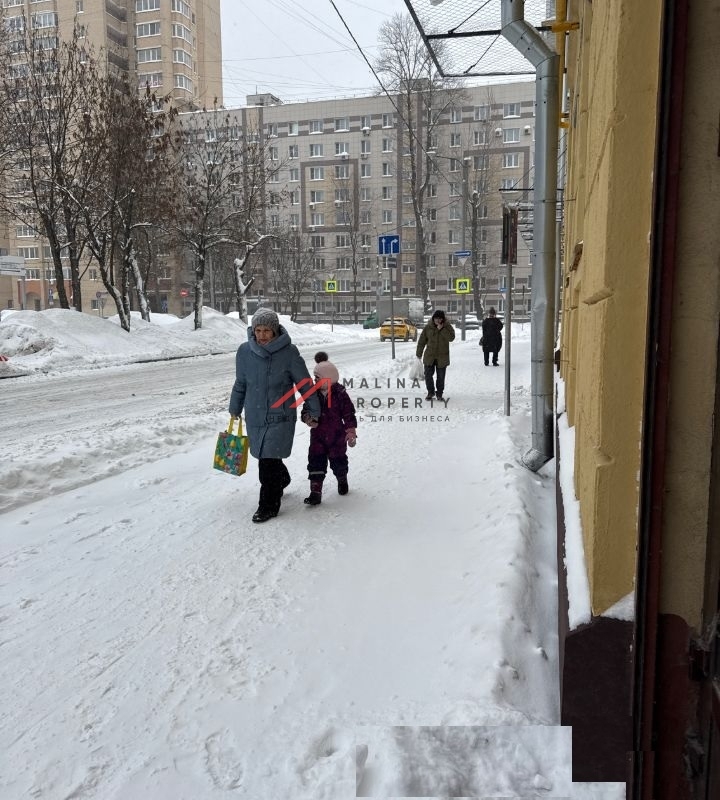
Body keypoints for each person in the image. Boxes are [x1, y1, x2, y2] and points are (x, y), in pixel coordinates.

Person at [228, 309, 320, 523]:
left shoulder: (288, 352)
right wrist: (235, 408)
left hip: (280, 416)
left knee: (267, 461)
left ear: (275, 330)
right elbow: (241, 383)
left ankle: (268, 505)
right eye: (258, 330)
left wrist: (314, 409)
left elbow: (304, 384)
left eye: (267, 330)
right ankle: (282, 478)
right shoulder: (244, 352)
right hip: (255, 414)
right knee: (264, 455)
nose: (262, 335)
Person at [302, 358, 357, 505]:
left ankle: (342, 478)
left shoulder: (340, 394)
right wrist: (308, 418)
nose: (315, 381)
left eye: (317, 378)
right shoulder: (312, 393)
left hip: (337, 436)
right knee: (315, 462)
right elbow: (305, 410)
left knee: (338, 460)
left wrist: (350, 431)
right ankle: (315, 492)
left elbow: (348, 414)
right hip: (317, 436)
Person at [416, 309, 456, 400]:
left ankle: (439, 393)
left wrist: (442, 329)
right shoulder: (428, 327)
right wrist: (419, 353)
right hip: (430, 355)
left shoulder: (447, 326)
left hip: (442, 356)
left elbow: (451, 338)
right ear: (433, 318)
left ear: (443, 319)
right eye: (436, 318)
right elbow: (422, 341)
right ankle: (430, 392)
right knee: (428, 375)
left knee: (441, 377)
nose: (438, 320)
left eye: (440, 318)